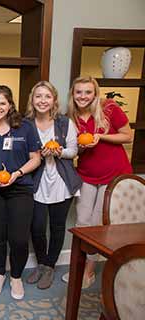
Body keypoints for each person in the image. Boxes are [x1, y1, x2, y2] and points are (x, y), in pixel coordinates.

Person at [62, 76, 133, 287]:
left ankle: (88, 273)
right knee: (82, 222)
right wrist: (83, 146)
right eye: (78, 92)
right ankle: (79, 266)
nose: (83, 96)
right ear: (72, 95)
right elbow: (76, 150)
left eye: (87, 92)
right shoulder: (70, 118)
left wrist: (100, 137)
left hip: (113, 174)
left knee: (96, 224)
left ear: (95, 93)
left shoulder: (109, 108)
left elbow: (127, 135)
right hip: (86, 174)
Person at [0, 85, 41, 300]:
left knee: (19, 239)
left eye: (2, 103)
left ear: (10, 105)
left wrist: (17, 173)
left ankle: (16, 276)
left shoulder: (25, 127)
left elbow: (36, 158)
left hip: (21, 188)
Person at [24, 81, 82, 289]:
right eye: (38, 96)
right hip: (37, 181)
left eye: (47, 96)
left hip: (61, 182)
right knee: (37, 226)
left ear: (54, 100)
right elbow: (22, 153)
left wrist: (59, 152)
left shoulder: (65, 123)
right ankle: (41, 262)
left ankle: (49, 266)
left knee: (57, 227)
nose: (42, 100)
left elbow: (73, 150)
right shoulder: (25, 124)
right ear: (32, 99)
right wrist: (38, 154)